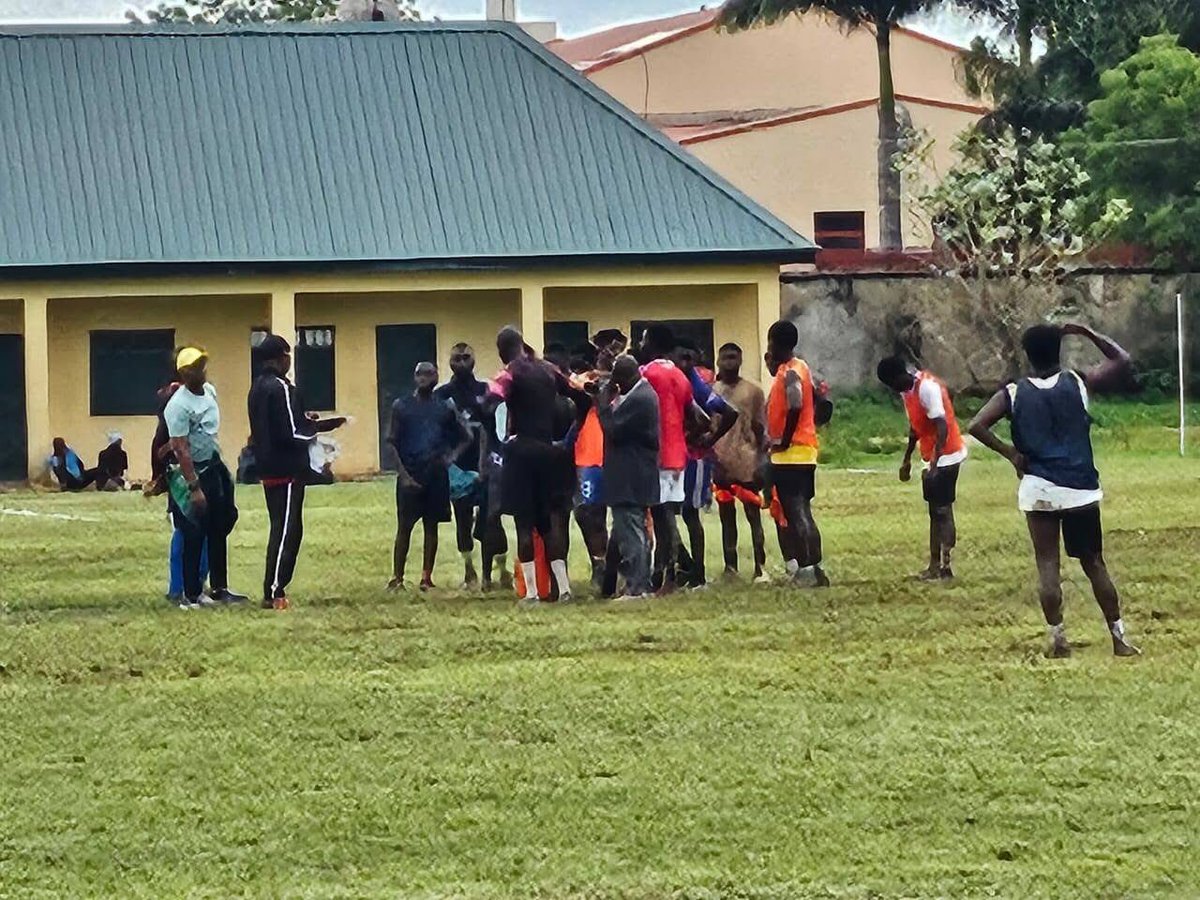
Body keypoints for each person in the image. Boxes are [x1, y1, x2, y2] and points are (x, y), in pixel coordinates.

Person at [968, 323, 1140, 658]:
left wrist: (1011, 454)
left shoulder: (1013, 393)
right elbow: (1122, 360)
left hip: (1039, 488)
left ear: (1027, 355)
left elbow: (976, 425)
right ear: (1058, 350)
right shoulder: (1076, 381)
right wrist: (1088, 332)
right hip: (1080, 488)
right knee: (1094, 563)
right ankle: (1118, 639)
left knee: (1047, 565)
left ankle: (1059, 641)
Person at [248, 334, 346, 611]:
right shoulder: (281, 388)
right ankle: (274, 590)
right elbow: (293, 432)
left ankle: (273, 587)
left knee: (279, 526)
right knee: (288, 529)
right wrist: (320, 433)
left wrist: (312, 424)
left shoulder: (256, 387)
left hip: (267, 466)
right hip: (287, 468)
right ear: (282, 358)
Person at [489, 326, 580, 604]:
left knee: (524, 524)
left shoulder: (510, 372)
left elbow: (493, 396)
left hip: (521, 453)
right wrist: (567, 439)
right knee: (550, 523)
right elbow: (580, 396)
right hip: (549, 451)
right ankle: (563, 588)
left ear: (502, 350)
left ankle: (530, 593)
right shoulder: (548, 370)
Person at [163, 347, 247, 608]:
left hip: (212, 465)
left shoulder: (209, 392)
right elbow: (180, 448)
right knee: (194, 530)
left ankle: (219, 587)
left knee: (220, 524)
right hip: (192, 471)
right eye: (194, 368)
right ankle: (190, 593)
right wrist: (194, 487)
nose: (200, 372)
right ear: (184, 373)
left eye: (201, 366)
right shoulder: (178, 406)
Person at [877, 357, 967, 580]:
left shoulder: (927, 387)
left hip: (947, 454)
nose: (893, 389)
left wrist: (935, 463)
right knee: (934, 510)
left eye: (893, 383)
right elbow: (915, 427)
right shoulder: (907, 391)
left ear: (901, 375)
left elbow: (942, 426)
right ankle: (935, 565)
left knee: (942, 509)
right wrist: (907, 458)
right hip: (931, 455)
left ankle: (946, 566)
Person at [387, 361, 469, 592]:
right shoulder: (401, 406)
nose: (424, 378)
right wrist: (403, 474)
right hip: (410, 473)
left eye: (429, 374)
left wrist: (451, 457)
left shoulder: (444, 408)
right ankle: (397, 577)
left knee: (431, 526)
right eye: (419, 374)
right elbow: (391, 442)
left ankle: (426, 577)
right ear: (414, 377)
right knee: (404, 527)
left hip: (435, 474)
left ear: (436, 378)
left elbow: (466, 436)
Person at [765, 320, 829, 587]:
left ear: (775, 344)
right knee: (803, 511)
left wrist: (784, 439)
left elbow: (795, 404)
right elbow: (821, 402)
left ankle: (806, 570)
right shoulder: (802, 367)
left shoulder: (790, 372)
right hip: (805, 452)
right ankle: (816, 568)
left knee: (795, 513)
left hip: (791, 455)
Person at [673, 336, 738, 589]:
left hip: (694, 458)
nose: (682, 363)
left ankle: (697, 572)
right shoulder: (674, 379)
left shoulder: (696, 385)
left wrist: (711, 438)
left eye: (687, 358)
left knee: (690, 513)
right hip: (674, 454)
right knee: (665, 512)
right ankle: (683, 564)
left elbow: (729, 412)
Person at [637, 325, 695, 594]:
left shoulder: (647, 374)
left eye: (643, 340)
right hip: (678, 454)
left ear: (652, 343)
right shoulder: (680, 376)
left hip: (656, 454)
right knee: (666, 512)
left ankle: (669, 574)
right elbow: (695, 416)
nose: (640, 344)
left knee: (662, 516)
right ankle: (663, 572)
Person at [597, 354, 660, 599]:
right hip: (635, 474)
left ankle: (637, 588)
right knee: (631, 531)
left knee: (632, 533)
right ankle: (629, 584)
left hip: (630, 476)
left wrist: (602, 405)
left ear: (624, 378)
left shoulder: (640, 398)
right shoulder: (640, 393)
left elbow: (612, 430)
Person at [434, 342, 492, 589]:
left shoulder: (485, 390)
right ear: (449, 362)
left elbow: (492, 426)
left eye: (466, 357)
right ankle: (469, 571)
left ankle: (491, 572)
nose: (461, 363)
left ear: (474, 360)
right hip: (457, 466)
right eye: (456, 358)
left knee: (489, 519)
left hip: (484, 460)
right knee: (462, 518)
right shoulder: (442, 394)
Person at [711, 343, 769, 582]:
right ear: (718, 361)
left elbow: (760, 427)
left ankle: (760, 566)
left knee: (753, 515)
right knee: (726, 517)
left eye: (734, 357)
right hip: (720, 459)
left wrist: (761, 460)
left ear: (741, 360)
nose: (729, 362)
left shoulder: (753, 391)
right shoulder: (712, 390)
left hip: (747, 460)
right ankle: (730, 567)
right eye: (725, 358)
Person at [570, 342, 610, 590]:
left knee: (616, 513)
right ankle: (599, 564)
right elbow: (577, 388)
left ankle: (615, 565)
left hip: (610, 454)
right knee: (587, 513)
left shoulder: (618, 380)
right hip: (586, 454)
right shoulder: (581, 381)